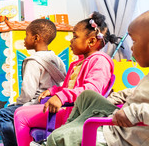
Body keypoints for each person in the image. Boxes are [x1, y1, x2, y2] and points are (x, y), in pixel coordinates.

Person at [13, 11, 118, 146]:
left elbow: (92, 91)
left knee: (21, 116)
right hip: (68, 112)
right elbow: (68, 87)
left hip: (77, 117)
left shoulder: (100, 61)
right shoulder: (78, 63)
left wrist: (61, 96)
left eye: (75, 37)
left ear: (91, 41)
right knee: (20, 112)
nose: (71, 40)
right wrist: (54, 90)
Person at [46, 10, 149, 146]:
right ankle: (69, 131)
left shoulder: (100, 61)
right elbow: (136, 92)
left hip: (120, 137)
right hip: (117, 124)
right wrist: (113, 98)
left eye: (135, 41)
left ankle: (56, 139)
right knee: (87, 96)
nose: (131, 47)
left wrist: (132, 113)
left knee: (56, 138)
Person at [0, 19, 67, 146]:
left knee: (4, 114)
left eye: (26, 35)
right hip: (56, 105)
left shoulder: (33, 62)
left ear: (36, 38)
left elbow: (28, 93)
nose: (24, 39)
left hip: (37, 104)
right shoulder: (57, 60)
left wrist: (17, 104)